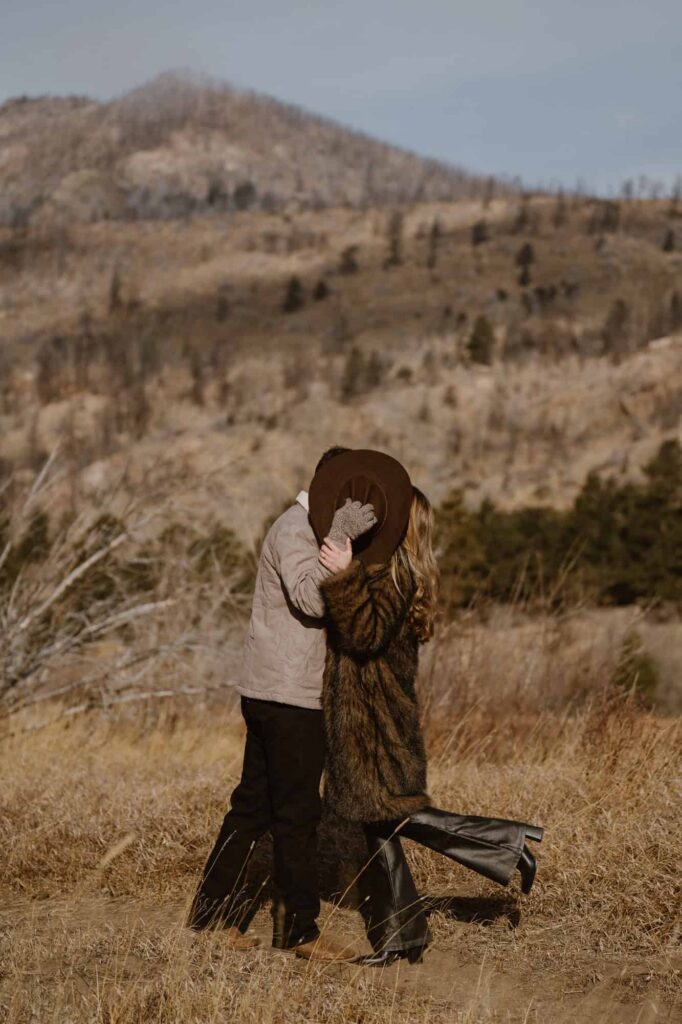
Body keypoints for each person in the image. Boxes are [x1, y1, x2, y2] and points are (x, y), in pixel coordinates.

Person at [308, 450, 544, 967]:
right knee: (374, 823)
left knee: (390, 814)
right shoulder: (384, 572)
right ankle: (402, 938)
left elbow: (365, 636)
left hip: (375, 724)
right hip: (359, 719)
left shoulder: (397, 579)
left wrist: (343, 575)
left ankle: (508, 842)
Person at [186, 446, 377, 962]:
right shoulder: (295, 529)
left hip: (277, 691)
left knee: (251, 808)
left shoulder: (311, 530)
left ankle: (208, 921)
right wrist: (340, 537)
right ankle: (299, 933)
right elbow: (312, 599)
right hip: (289, 697)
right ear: (328, 487)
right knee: (295, 816)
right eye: (348, 493)